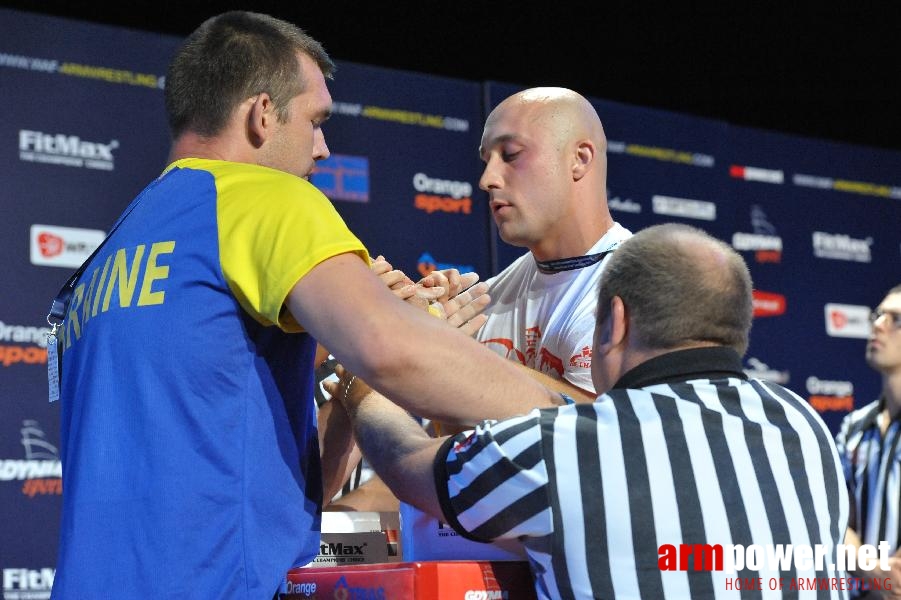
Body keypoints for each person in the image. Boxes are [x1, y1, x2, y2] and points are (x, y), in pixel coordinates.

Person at [49, 11, 559, 600]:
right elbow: (395, 352)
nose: (322, 149)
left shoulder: (115, 248)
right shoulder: (263, 195)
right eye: (316, 122)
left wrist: (352, 379)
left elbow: (268, 476)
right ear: (263, 114)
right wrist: (591, 424)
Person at [330, 223, 849, 599]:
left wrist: (361, 378)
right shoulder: (803, 426)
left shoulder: (567, 446)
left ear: (614, 321)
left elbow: (407, 464)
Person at [476, 86, 632, 401]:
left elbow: (604, 429)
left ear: (580, 159)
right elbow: (448, 441)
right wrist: (425, 337)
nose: (487, 179)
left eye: (511, 154)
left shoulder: (642, 290)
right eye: (487, 160)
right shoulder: (487, 299)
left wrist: (452, 359)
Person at [836, 284, 901, 597]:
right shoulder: (854, 426)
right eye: (878, 315)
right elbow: (831, 516)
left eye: (896, 319)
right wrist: (873, 568)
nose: (877, 324)